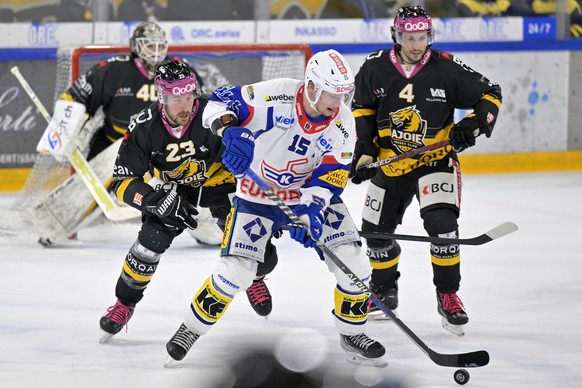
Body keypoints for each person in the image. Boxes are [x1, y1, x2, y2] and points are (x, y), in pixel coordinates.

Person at [163, 49, 388, 368]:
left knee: (355, 262)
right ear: (311, 86)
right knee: (235, 273)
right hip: (256, 194)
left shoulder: (343, 123)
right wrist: (229, 130)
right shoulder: (274, 94)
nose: (338, 104)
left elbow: (331, 177)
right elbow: (217, 102)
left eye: (344, 95)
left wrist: (312, 211)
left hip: (308, 195)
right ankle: (190, 329)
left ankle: (351, 333)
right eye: (332, 94)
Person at [349, 5, 502, 336]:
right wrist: (364, 151)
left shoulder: (445, 68)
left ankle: (448, 295)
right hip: (391, 162)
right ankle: (384, 289)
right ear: (397, 35)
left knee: (442, 226)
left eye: (422, 37)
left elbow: (491, 94)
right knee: (375, 234)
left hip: (436, 160)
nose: (417, 45)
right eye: (409, 37)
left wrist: (473, 125)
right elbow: (362, 106)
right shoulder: (374, 67)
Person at [98, 60, 276, 343]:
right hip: (176, 189)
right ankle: (124, 304)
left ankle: (255, 277)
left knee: (262, 254)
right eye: (176, 98)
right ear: (161, 97)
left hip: (221, 181)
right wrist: (153, 200)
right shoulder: (144, 127)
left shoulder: (214, 114)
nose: (185, 106)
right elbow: (121, 182)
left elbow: (254, 153)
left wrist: (262, 199)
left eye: (189, 96)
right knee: (150, 240)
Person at [47, 21, 221, 246]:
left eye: (160, 46)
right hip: (114, 146)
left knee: (181, 199)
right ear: (135, 47)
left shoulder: (179, 71)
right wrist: (65, 131)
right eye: (150, 46)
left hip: (164, 150)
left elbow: (198, 111)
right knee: (84, 195)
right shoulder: (114, 69)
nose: (156, 52)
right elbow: (77, 96)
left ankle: (204, 229)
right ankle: (53, 223)